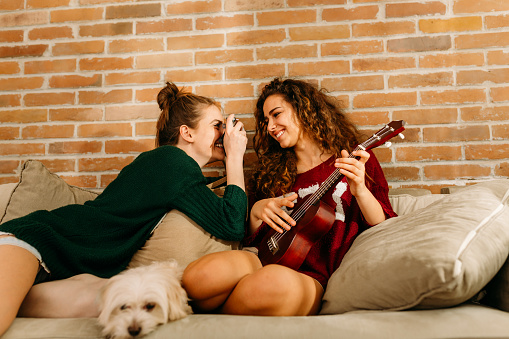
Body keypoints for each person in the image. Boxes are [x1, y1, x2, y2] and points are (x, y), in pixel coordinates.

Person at [0, 81, 248, 336]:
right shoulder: (172, 161)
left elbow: (227, 217)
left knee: (106, 301)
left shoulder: (175, 172)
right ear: (187, 132)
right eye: (217, 125)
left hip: (70, 266)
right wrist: (236, 156)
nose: (224, 133)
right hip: (37, 241)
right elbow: (232, 223)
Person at [182, 78, 397, 316]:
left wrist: (360, 190)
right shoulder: (271, 170)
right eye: (266, 121)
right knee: (198, 278)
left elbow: (385, 224)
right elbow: (247, 234)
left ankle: (211, 322)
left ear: (304, 109)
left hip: (311, 275)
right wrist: (257, 212)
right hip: (262, 256)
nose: (271, 127)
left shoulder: (353, 159)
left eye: (276, 114)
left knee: (269, 285)